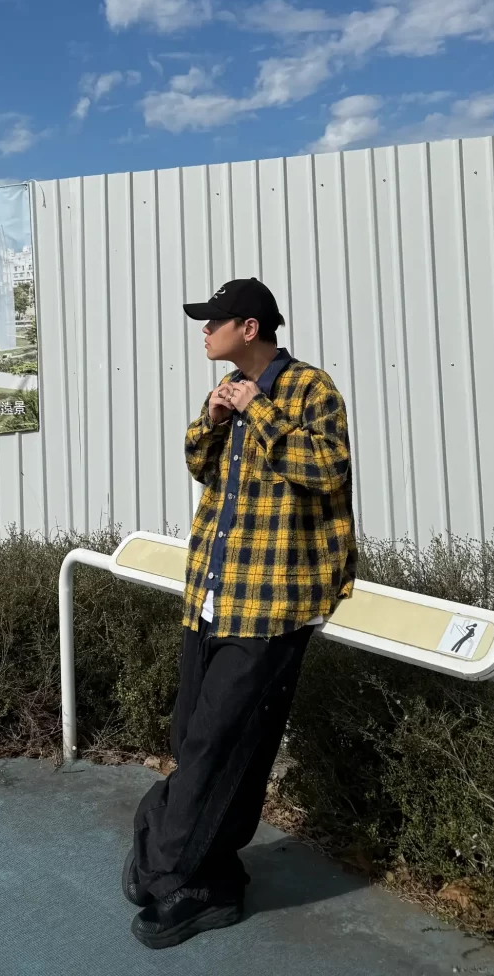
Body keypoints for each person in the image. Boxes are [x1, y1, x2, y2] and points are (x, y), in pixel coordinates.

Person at [124, 277, 357, 950]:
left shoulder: (310, 389)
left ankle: (174, 874)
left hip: (272, 602)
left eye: (214, 322)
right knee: (195, 738)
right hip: (212, 593)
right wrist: (215, 419)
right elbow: (202, 466)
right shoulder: (226, 389)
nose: (205, 332)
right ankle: (208, 870)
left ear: (248, 328)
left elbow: (328, 469)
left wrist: (259, 411)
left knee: (221, 743)